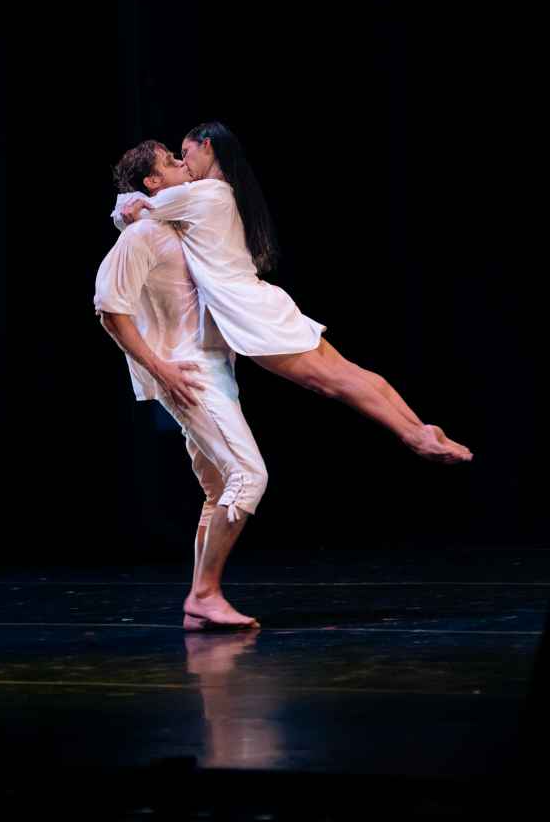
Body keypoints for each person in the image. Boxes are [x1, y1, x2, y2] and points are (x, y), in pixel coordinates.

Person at [112, 122, 474, 466]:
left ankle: (415, 438)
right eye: (175, 159)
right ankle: (420, 429)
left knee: (334, 382)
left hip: (250, 312)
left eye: (185, 153)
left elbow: (130, 211)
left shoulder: (199, 193)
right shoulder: (224, 192)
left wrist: (129, 210)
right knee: (346, 373)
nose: (183, 163)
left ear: (208, 147)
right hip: (261, 301)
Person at [95, 140, 265, 630]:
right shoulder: (141, 236)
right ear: (151, 182)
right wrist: (159, 368)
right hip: (187, 372)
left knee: (218, 490)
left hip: (214, 369)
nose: (182, 163)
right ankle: (205, 595)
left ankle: (201, 599)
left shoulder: (179, 224)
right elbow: (109, 309)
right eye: (171, 161)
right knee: (249, 477)